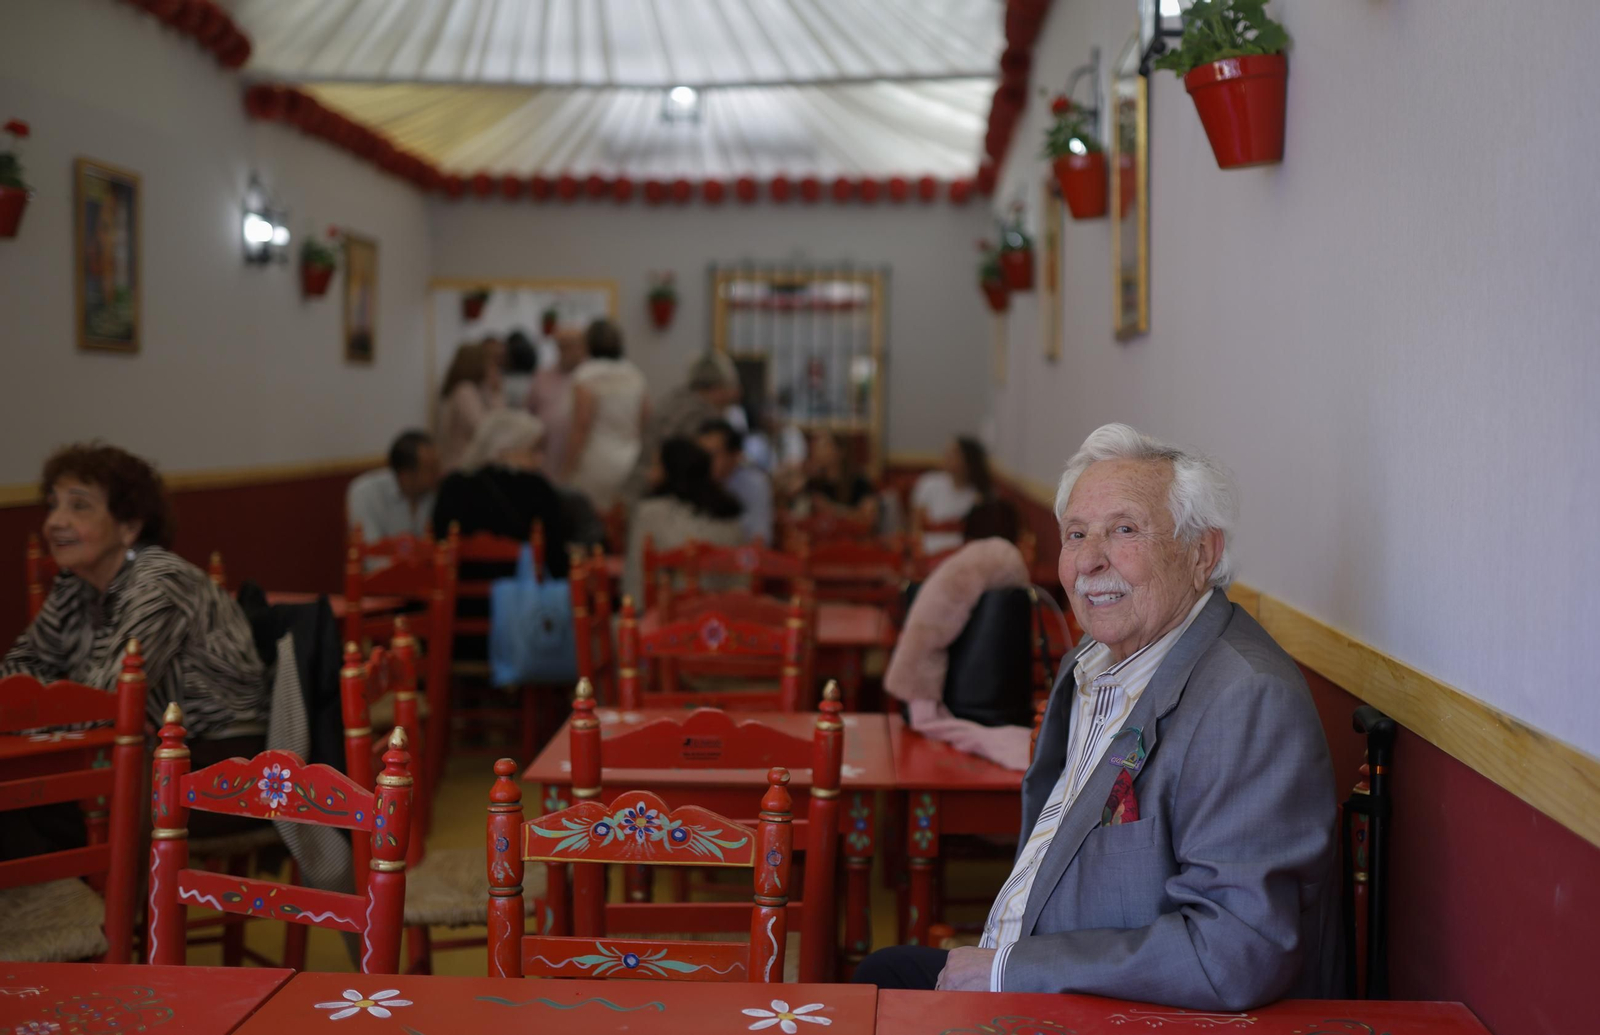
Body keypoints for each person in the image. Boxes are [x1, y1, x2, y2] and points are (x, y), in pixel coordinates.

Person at [854, 423, 1339, 1010]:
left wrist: (1014, 972)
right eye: (1076, 533)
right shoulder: (1096, 658)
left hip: (1124, 1009)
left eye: (1124, 530)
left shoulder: (1247, 699)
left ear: (1201, 553)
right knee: (880, 976)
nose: (1088, 560)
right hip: (1044, 973)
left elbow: (1234, 950)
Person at [431, 410, 570, 578]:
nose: (540, 459)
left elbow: (440, 544)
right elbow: (556, 558)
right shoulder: (537, 488)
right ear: (506, 448)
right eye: (533, 450)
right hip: (521, 597)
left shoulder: (452, 486)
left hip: (459, 597)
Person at [623, 438, 744, 604]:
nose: (649, 474)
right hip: (725, 621)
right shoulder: (729, 517)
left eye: (656, 466)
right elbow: (741, 584)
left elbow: (635, 579)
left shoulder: (650, 513)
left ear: (672, 471)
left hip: (666, 622)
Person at [561, 320, 649, 511]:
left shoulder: (586, 375)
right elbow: (645, 422)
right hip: (630, 459)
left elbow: (581, 426)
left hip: (595, 462)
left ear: (588, 343)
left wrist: (567, 469)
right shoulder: (635, 374)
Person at [628, 352, 741, 500]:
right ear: (719, 387)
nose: (734, 394)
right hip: (659, 497)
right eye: (730, 387)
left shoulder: (671, 401)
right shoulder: (705, 417)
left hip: (635, 489)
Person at [346, 430, 441, 542]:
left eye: (437, 465)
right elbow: (371, 552)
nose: (438, 473)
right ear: (406, 475)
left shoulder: (436, 493)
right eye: (430, 469)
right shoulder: (365, 494)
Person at [698, 418, 773, 544]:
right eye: (700, 453)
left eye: (711, 454)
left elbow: (760, 538)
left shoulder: (754, 483)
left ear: (734, 455)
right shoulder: (693, 480)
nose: (703, 461)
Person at [526, 325, 586, 478]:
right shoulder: (542, 376)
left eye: (570, 346)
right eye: (561, 346)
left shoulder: (589, 378)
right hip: (546, 458)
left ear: (583, 348)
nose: (565, 351)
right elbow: (528, 415)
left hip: (579, 459)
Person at [912, 437, 991, 553]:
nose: (947, 456)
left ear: (968, 460)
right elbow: (916, 527)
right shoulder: (928, 483)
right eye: (947, 452)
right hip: (929, 553)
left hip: (964, 554)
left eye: (954, 453)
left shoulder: (978, 495)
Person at [437, 342, 505, 471]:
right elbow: (486, 429)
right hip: (461, 468)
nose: (492, 367)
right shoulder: (464, 391)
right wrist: (496, 393)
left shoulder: (467, 390)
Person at [798, 431, 879, 528]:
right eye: (816, 446)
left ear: (839, 451)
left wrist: (831, 508)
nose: (817, 450)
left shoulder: (859, 482)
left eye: (824, 446)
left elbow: (868, 518)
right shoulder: (814, 482)